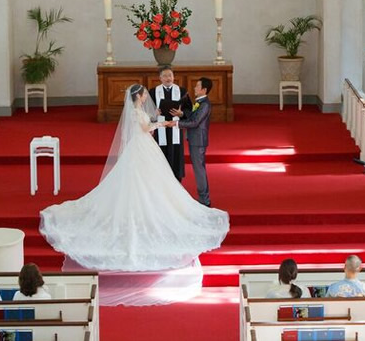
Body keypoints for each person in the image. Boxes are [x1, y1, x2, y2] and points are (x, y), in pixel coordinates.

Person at [39, 84, 229, 272]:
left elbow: (142, 128)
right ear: (138, 96)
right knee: (143, 178)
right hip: (142, 147)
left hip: (142, 146)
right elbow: (146, 128)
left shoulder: (137, 111)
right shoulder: (136, 112)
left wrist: (154, 122)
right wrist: (162, 123)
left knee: (148, 179)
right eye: (144, 94)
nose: (146, 96)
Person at [169, 77, 213, 207]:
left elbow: (195, 122)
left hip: (198, 140)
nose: (194, 88)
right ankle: (203, 197)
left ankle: (204, 199)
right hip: (195, 139)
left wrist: (176, 123)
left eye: (197, 86)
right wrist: (182, 114)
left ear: (204, 89)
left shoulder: (205, 104)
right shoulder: (199, 102)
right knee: (198, 168)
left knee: (199, 169)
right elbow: (193, 116)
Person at [149, 65, 189, 181]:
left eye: (170, 75)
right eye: (165, 76)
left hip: (175, 127)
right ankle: (161, 180)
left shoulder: (182, 91)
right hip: (160, 128)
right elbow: (148, 111)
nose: (168, 78)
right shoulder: (153, 92)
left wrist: (181, 113)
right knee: (161, 153)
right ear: (160, 78)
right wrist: (154, 113)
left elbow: (189, 110)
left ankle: (177, 179)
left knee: (176, 152)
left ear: (174, 76)